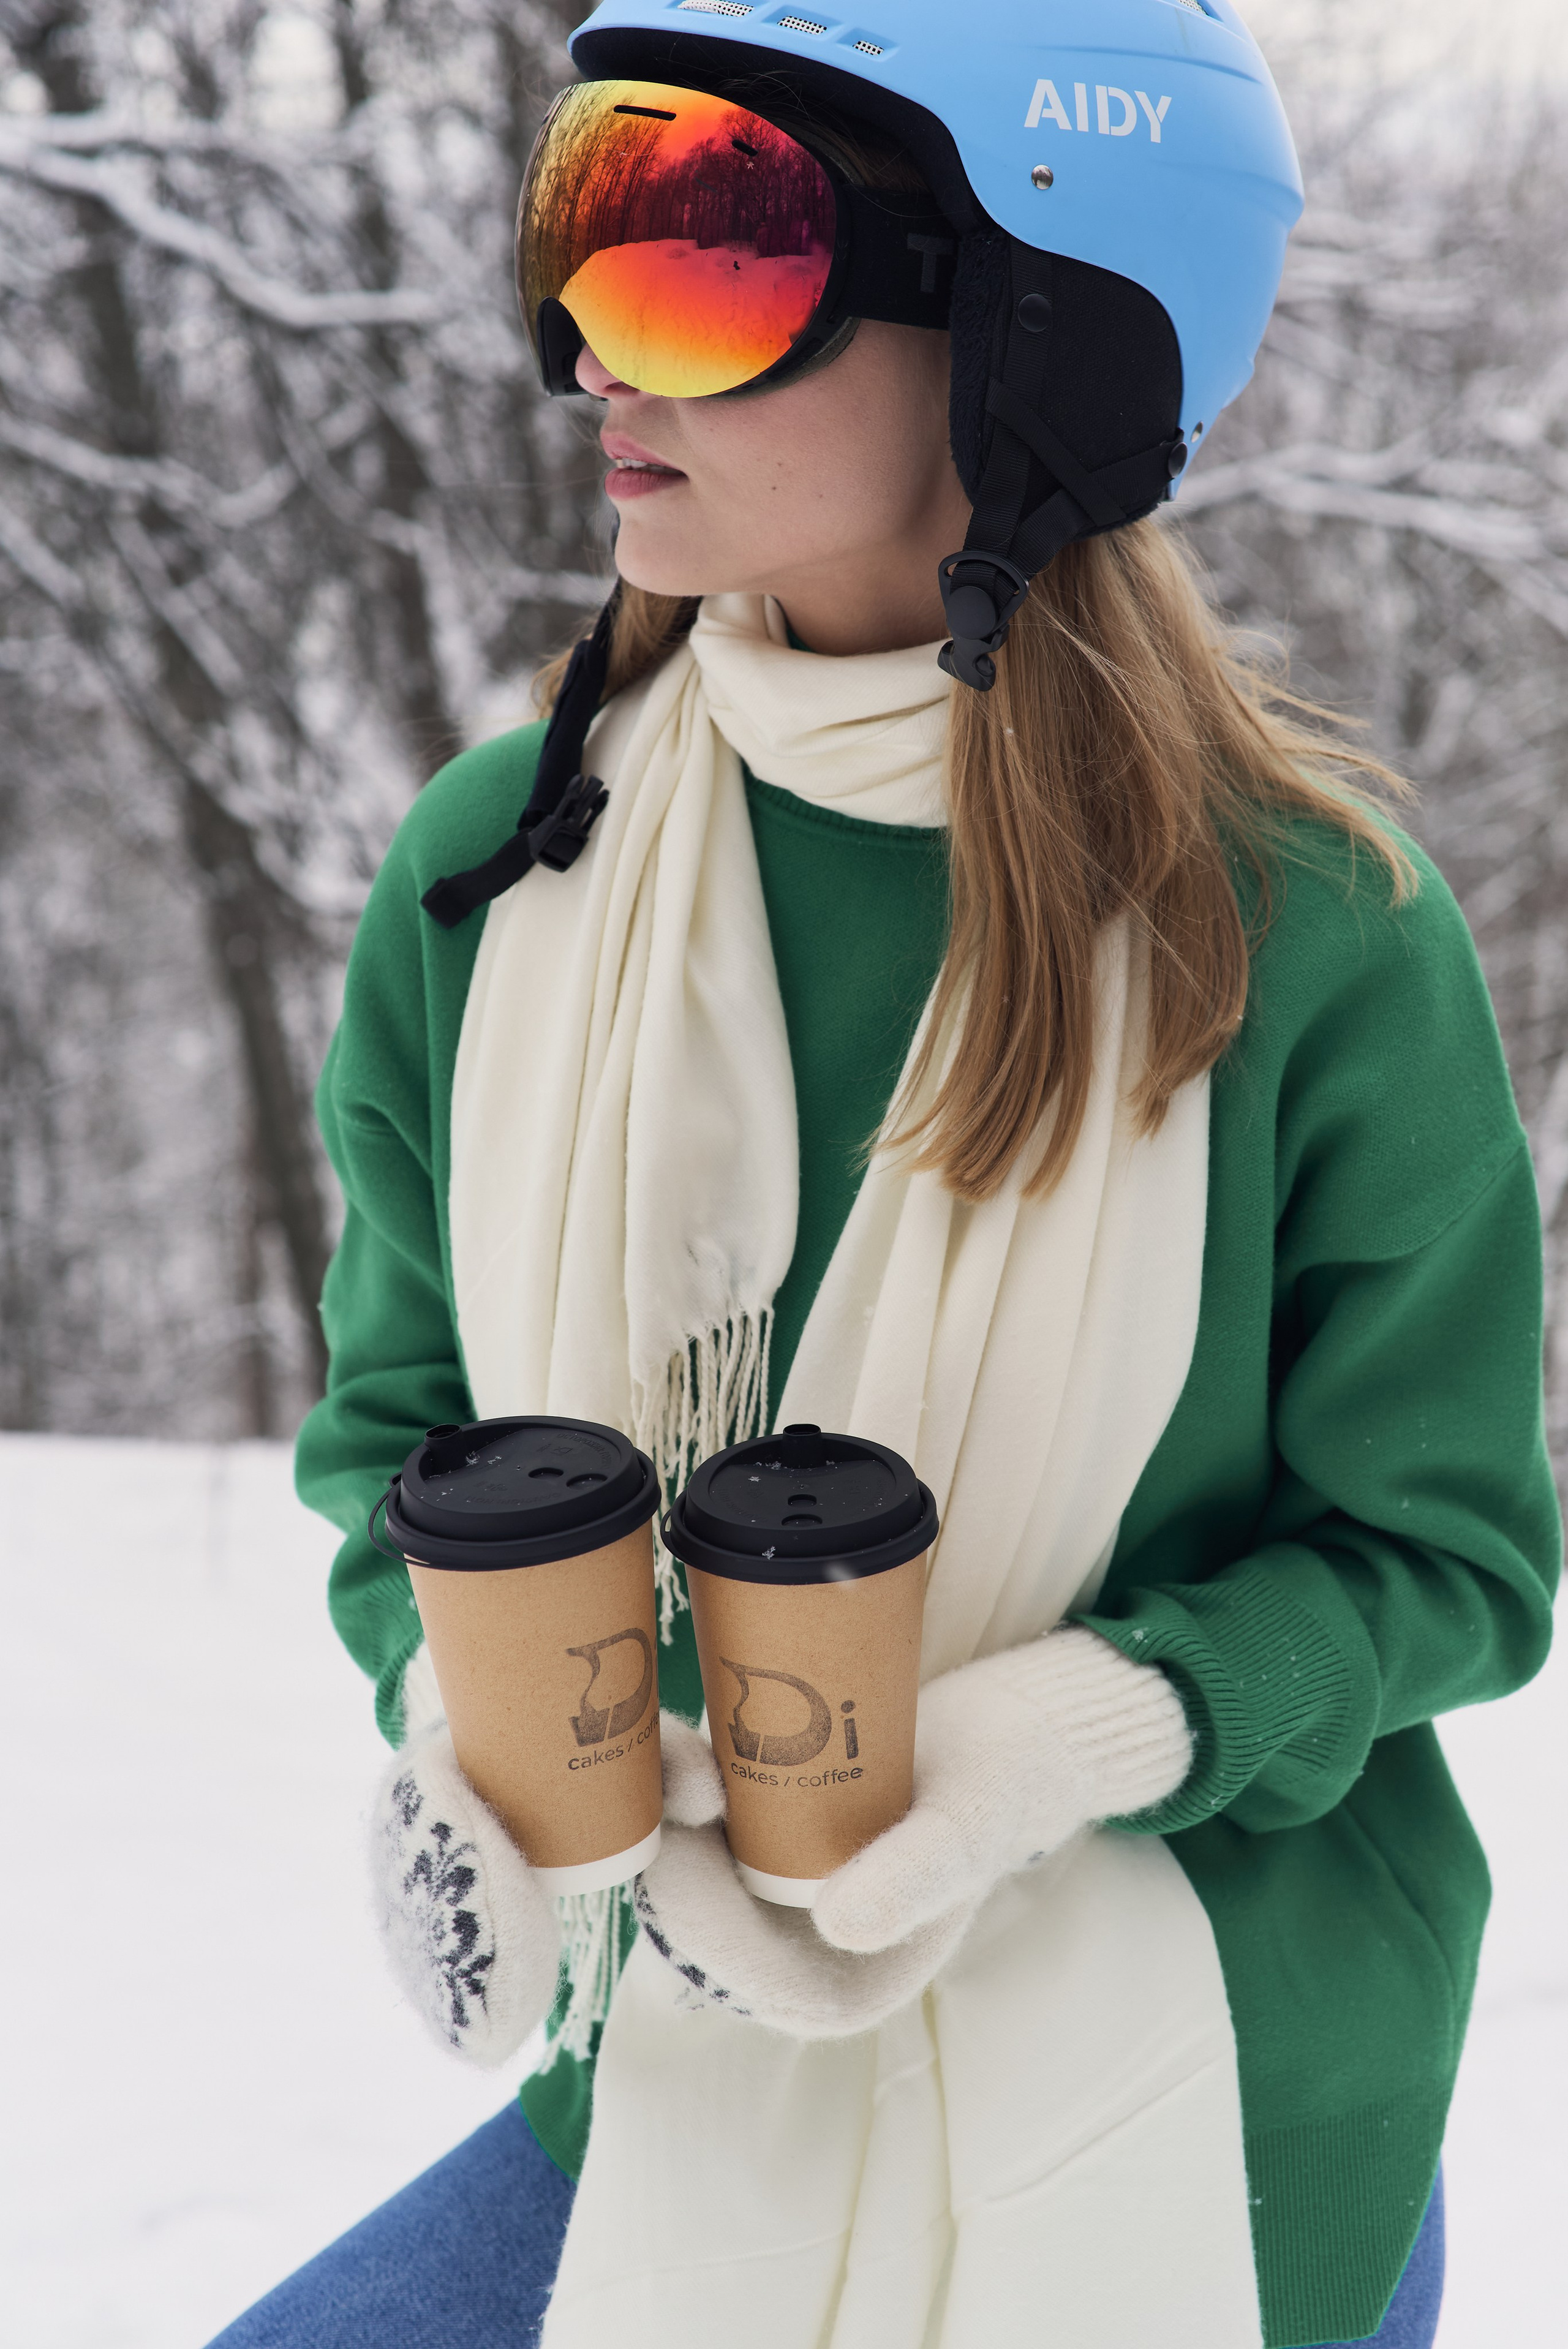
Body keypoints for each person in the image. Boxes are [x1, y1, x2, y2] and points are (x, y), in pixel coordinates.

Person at [209, 3, 1558, 2345]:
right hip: (686, 2053)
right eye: (579, 234)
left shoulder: (1302, 930)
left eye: (706, 251)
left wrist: (1093, 1729)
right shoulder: (502, 875)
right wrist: (491, 1738)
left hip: (1205, 2092)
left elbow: (1453, 1559)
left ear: (1034, 336)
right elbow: (392, 1448)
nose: (584, 356)